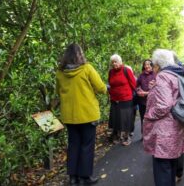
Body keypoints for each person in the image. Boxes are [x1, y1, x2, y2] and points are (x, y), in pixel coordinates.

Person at [56, 43, 107, 186]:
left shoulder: (60, 73)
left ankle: (73, 178)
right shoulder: (87, 69)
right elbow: (101, 88)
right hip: (87, 115)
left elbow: (58, 91)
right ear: (80, 54)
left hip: (69, 116)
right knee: (87, 146)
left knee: (73, 145)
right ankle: (85, 177)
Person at [143, 49, 184, 186]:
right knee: (171, 166)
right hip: (176, 127)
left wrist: (149, 114)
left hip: (164, 132)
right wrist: (155, 88)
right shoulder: (176, 75)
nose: (153, 68)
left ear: (157, 65)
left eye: (154, 65)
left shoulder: (162, 76)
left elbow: (164, 105)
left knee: (162, 169)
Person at [108, 54, 136, 146]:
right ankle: (116, 135)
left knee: (126, 119)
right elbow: (110, 84)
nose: (114, 64)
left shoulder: (126, 70)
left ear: (120, 62)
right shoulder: (111, 72)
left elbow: (133, 84)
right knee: (115, 118)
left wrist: (135, 96)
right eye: (112, 62)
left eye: (115, 62)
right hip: (114, 99)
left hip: (126, 99)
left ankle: (127, 137)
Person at [136, 59, 156, 138]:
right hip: (142, 102)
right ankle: (144, 135)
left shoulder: (156, 74)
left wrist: (146, 93)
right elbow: (136, 85)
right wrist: (138, 91)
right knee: (143, 118)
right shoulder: (141, 75)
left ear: (152, 65)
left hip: (152, 101)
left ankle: (152, 135)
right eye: (145, 64)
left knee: (152, 118)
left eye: (148, 64)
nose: (147, 66)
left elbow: (157, 89)